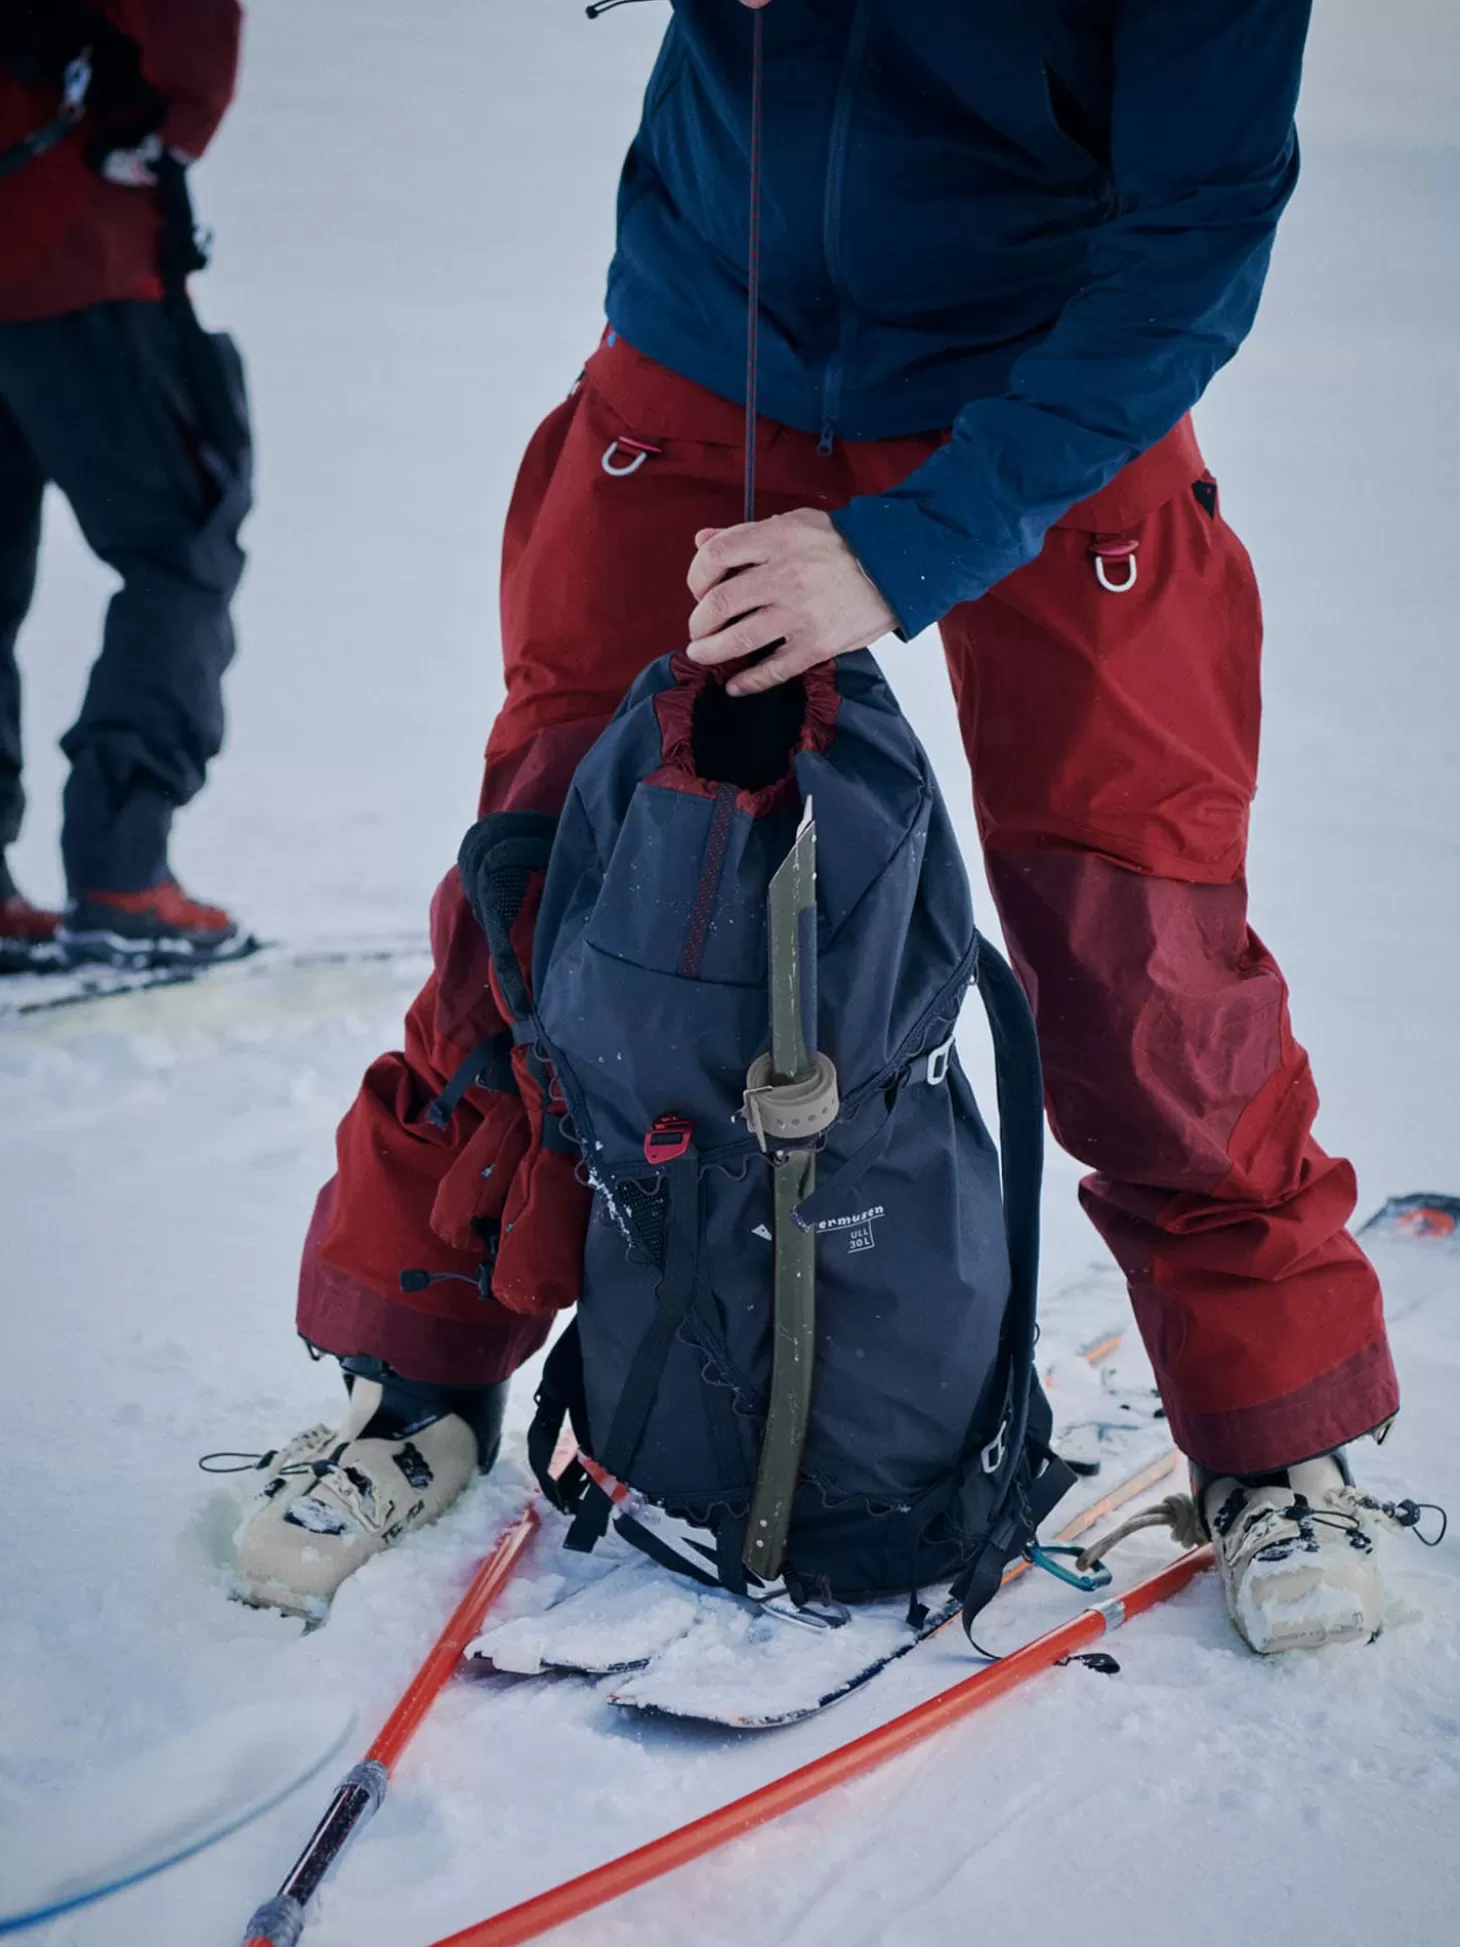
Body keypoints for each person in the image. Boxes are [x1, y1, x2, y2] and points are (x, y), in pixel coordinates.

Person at [235, 0, 1401, 1654]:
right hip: (713, 339)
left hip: (1053, 398)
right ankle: (408, 1383)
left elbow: (1200, 224)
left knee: (1139, 948)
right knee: (546, 881)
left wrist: (910, 543)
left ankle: (1281, 1443)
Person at [0, 0, 250, 968]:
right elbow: (186, 43)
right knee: (182, 546)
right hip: (75, 240)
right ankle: (122, 870)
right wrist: (166, 128)